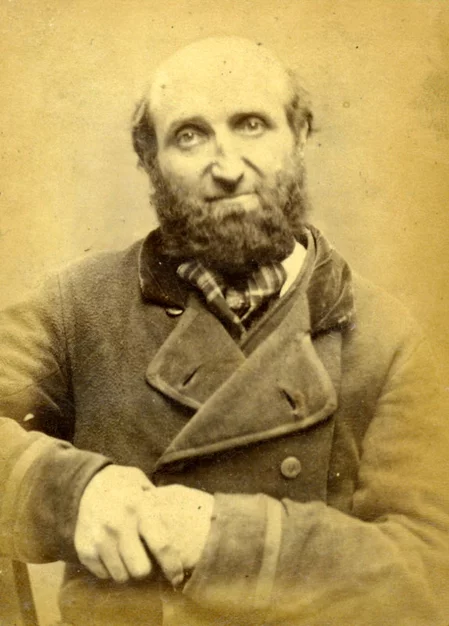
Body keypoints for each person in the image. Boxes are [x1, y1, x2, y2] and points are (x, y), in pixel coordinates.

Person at [0, 36, 448, 626]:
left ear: (300, 136)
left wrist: (219, 540)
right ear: (150, 161)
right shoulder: (78, 305)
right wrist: (68, 492)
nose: (228, 169)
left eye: (252, 126)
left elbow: (429, 569)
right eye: (190, 136)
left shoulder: (384, 337)